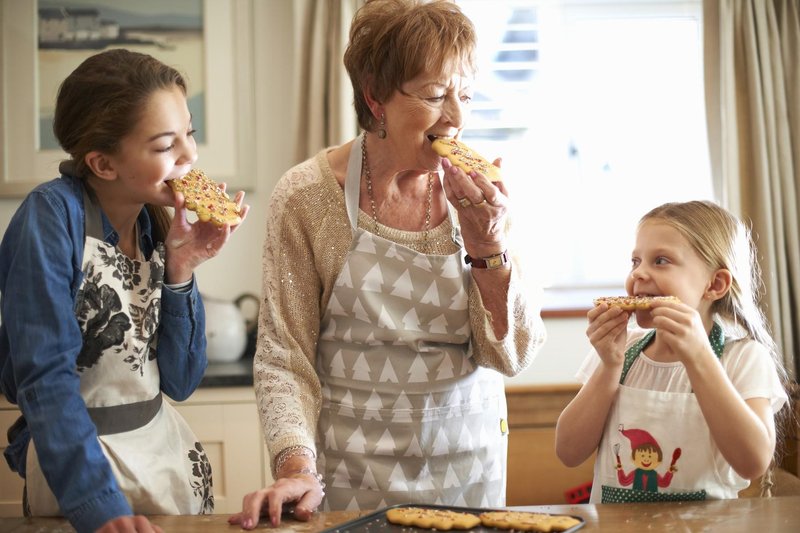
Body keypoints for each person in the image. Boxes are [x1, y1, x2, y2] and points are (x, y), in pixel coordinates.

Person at [229, 0, 545, 528]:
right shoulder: (307, 196)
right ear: (375, 96)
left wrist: (488, 248)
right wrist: (295, 467)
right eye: (434, 95)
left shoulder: (484, 196)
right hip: (349, 476)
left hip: (469, 472)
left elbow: (509, 356)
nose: (458, 118)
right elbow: (285, 357)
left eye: (464, 95)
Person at [0, 49, 249, 532]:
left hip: (167, 464)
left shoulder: (157, 224)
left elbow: (180, 381)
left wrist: (181, 269)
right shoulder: (49, 219)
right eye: (164, 145)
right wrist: (99, 506)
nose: (190, 156)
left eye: (189, 134)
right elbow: (43, 379)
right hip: (81, 474)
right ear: (103, 163)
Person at [555, 200, 789, 503]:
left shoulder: (743, 357)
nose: (639, 274)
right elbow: (568, 452)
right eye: (635, 261)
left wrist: (699, 357)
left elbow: (753, 461)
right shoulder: (621, 350)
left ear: (714, 284)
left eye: (661, 261)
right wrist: (609, 366)